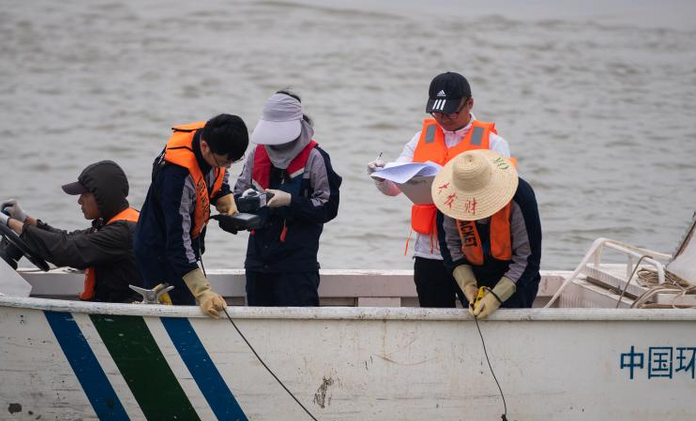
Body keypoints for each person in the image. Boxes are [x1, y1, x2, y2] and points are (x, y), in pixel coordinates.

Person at [368, 71, 511, 308]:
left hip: (474, 252)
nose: (443, 118)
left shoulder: (494, 143)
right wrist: (380, 177)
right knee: (432, 320)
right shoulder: (420, 138)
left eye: (451, 111)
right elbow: (395, 188)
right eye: (437, 111)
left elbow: (504, 195)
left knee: (478, 318)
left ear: (470, 103)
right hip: (429, 254)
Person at [230, 91, 341, 306]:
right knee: (257, 330)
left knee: (301, 333)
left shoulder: (315, 157)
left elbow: (329, 207)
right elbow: (238, 193)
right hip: (257, 262)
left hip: (297, 265)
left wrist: (290, 200)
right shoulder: (256, 154)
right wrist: (240, 206)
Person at [133, 115, 249, 318]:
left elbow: (220, 173)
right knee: (177, 310)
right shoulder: (177, 178)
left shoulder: (214, 137)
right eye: (223, 162)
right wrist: (203, 292)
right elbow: (178, 240)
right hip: (159, 251)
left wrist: (223, 194)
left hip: (182, 247)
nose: (227, 167)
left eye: (232, 162)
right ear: (204, 147)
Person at [0, 159, 140, 303]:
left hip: (125, 314)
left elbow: (66, 250)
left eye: (84, 194)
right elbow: (67, 238)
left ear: (103, 196)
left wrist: (9, 222)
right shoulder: (113, 223)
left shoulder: (122, 232)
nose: (79, 201)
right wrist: (24, 219)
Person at [434, 149, 542, 318]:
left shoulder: (520, 196)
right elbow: (451, 249)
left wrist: (496, 297)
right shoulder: (447, 199)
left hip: (516, 278)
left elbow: (527, 259)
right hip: (473, 276)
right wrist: (468, 287)